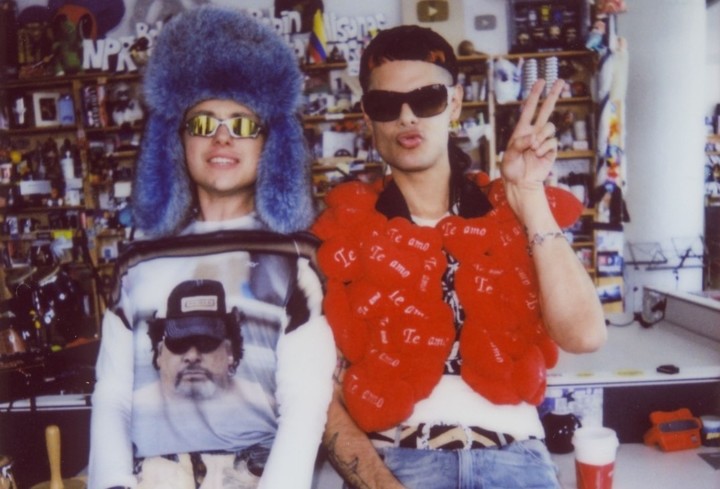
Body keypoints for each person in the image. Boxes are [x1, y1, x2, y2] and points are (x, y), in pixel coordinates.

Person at [313, 25, 607, 488]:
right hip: (397, 463)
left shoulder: (508, 210)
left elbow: (584, 334)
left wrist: (528, 195)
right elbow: (315, 392)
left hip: (517, 461)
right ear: (367, 117)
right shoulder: (339, 232)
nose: (407, 118)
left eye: (426, 98)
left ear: (455, 102)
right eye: (387, 105)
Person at [88, 7, 336, 489]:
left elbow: (305, 407)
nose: (222, 137)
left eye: (243, 124)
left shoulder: (297, 261)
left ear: (270, 143)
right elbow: (112, 394)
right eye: (203, 123)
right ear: (177, 139)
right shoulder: (140, 260)